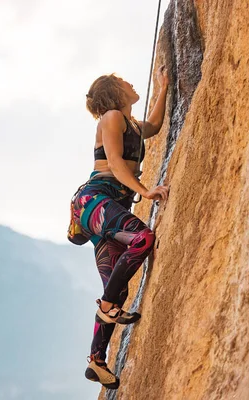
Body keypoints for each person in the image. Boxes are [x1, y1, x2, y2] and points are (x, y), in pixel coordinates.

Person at [74, 68, 170, 389]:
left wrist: (164, 87)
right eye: (123, 81)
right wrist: (144, 190)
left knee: (119, 287)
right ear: (114, 93)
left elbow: (154, 126)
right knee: (142, 239)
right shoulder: (112, 116)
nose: (131, 82)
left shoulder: (129, 124)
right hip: (95, 200)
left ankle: (96, 362)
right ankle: (106, 306)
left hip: (103, 209)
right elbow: (115, 161)